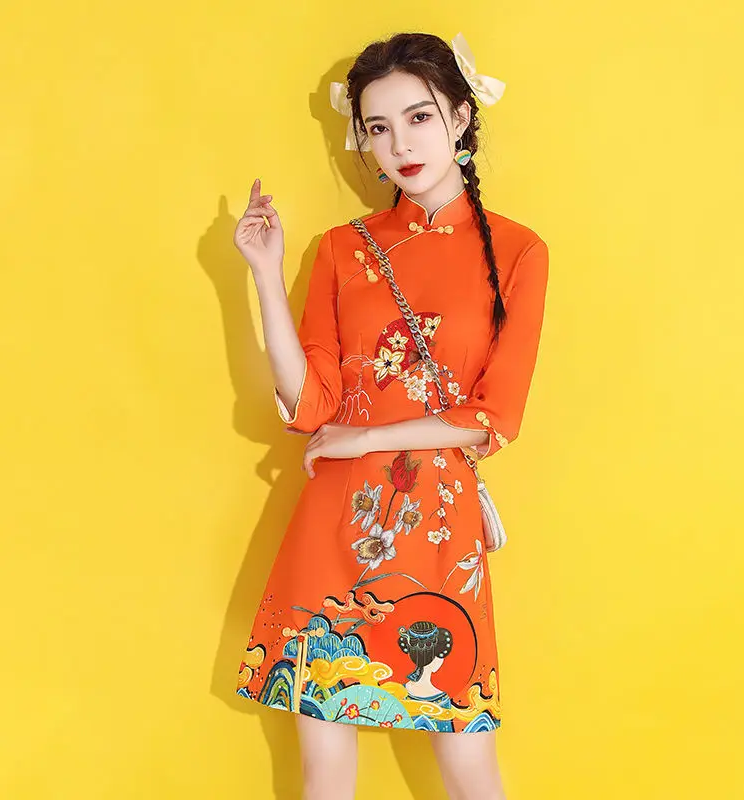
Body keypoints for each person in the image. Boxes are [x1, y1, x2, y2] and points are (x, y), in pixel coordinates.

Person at [232, 30, 549, 800]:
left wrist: (365, 438)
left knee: (467, 759)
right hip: (334, 528)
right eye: (378, 127)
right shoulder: (342, 250)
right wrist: (265, 276)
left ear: (461, 118)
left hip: (438, 530)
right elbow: (311, 404)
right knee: (324, 765)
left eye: (419, 117)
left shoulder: (518, 252)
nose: (399, 144)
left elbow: (493, 417)